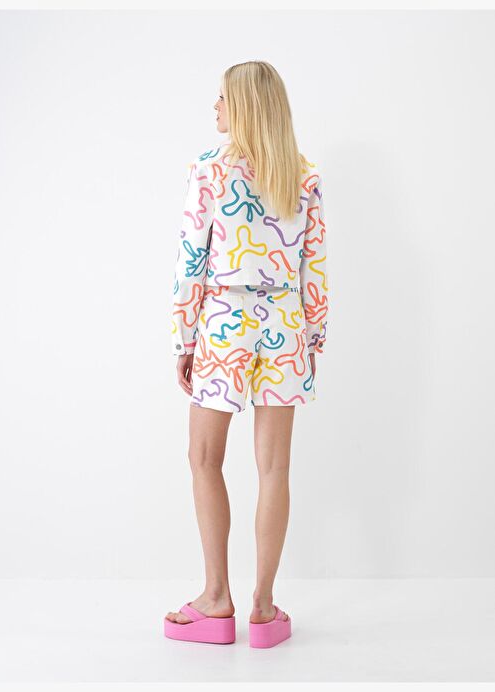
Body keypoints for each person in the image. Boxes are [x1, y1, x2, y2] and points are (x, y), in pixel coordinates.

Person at [164, 61, 328, 647]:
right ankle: (263, 607)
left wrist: (185, 338)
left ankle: (216, 599)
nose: (215, 107)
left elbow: (191, 261)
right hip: (284, 321)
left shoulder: (210, 170)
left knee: (204, 458)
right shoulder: (303, 174)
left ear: (244, 106)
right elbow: (314, 269)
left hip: (224, 322)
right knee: (274, 468)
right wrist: (312, 340)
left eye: (222, 98)